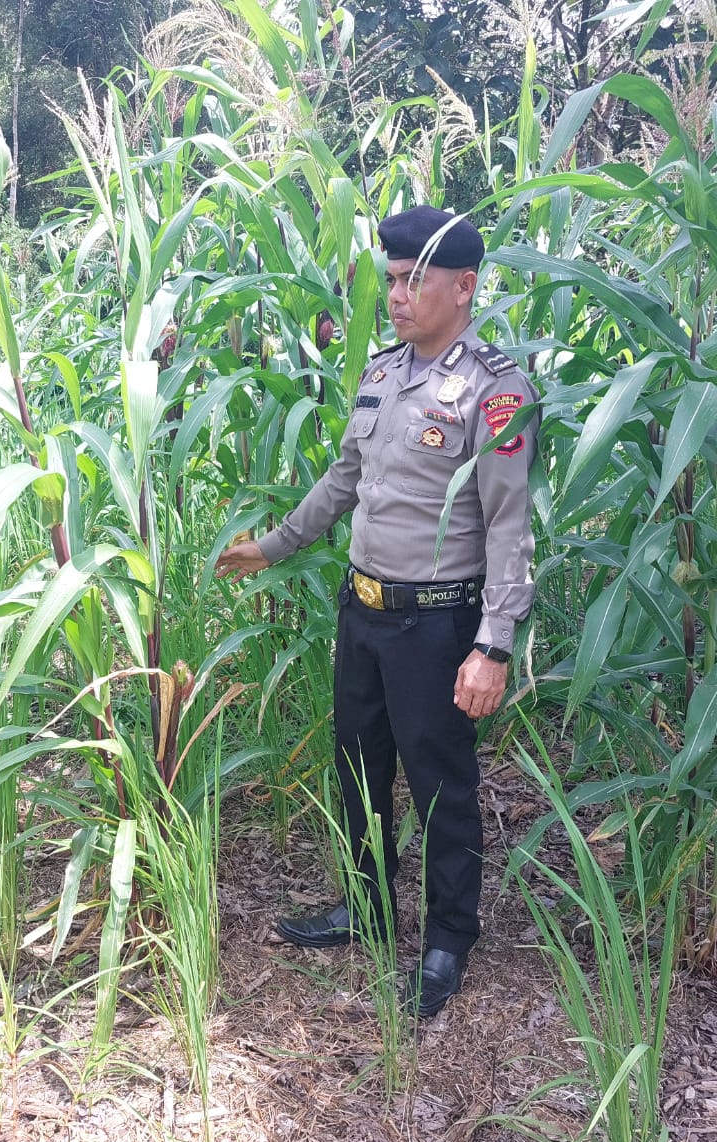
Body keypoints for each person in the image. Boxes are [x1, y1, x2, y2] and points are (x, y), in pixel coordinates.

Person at [215, 205, 538, 1017]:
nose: (396, 295)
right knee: (359, 770)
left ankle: (446, 942)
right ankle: (365, 907)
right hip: (362, 612)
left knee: (441, 786)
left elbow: (508, 527)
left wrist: (492, 645)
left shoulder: (495, 393)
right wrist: (278, 545)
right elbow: (345, 481)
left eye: (412, 280)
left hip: (435, 625)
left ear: (463, 288)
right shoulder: (383, 375)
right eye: (391, 280)